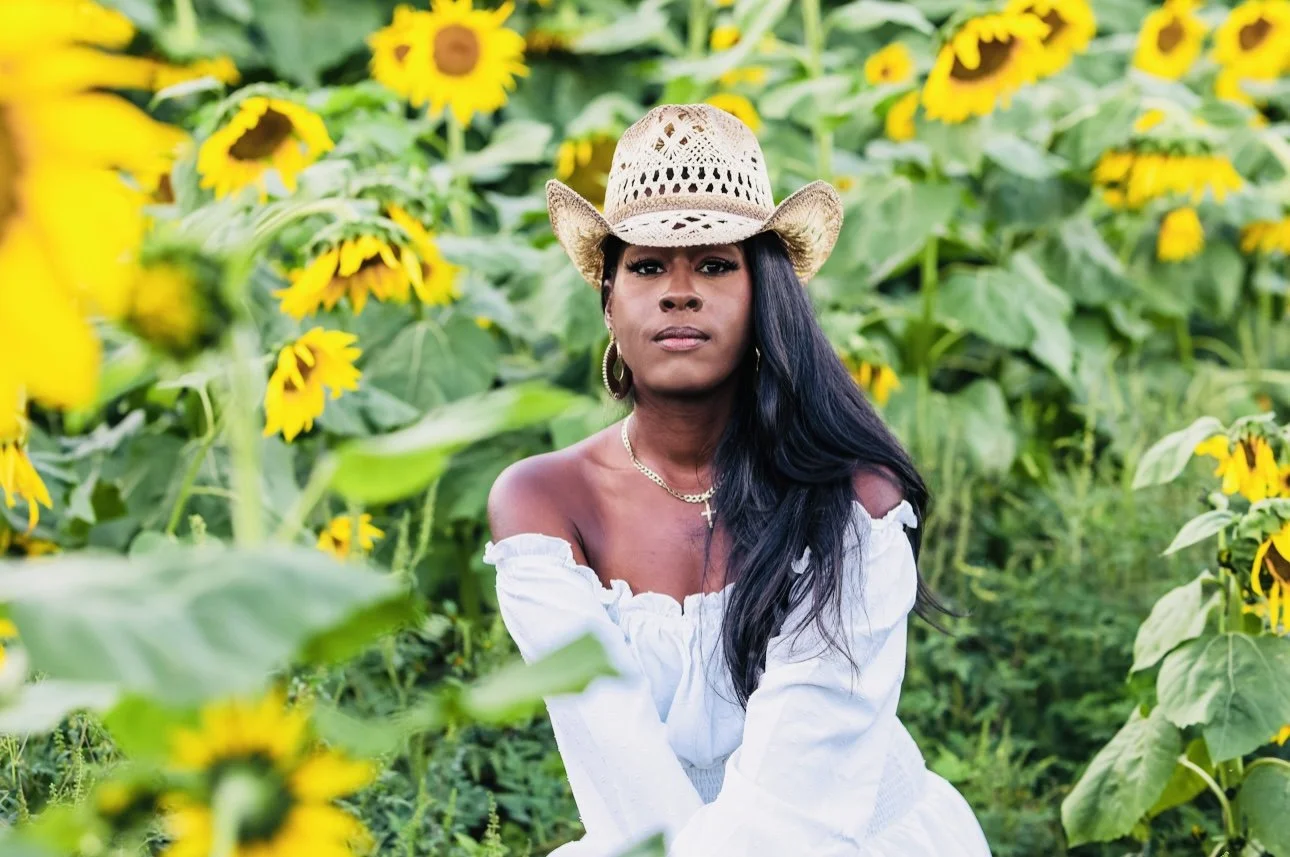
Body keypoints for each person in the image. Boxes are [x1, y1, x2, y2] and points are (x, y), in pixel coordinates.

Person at [482, 103, 991, 857]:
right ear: (609, 303)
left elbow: (804, 790)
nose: (678, 291)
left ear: (765, 298)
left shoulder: (852, 495)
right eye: (647, 265)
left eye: (715, 264)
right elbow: (612, 758)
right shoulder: (544, 503)